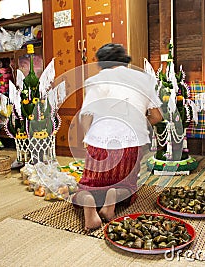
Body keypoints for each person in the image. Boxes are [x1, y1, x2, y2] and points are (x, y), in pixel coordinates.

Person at [73, 43, 163, 231]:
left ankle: (88, 200)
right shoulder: (145, 80)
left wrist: (88, 136)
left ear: (102, 64)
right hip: (131, 145)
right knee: (129, 187)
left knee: (85, 188)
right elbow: (157, 117)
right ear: (124, 61)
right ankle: (114, 196)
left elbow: (87, 114)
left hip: (101, 144)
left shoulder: (96, 80)